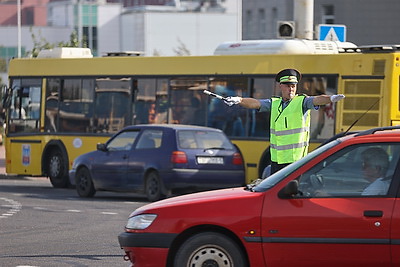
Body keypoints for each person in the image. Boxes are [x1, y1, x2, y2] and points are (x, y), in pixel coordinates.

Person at [223, 68, 345, 174]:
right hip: (277, 160)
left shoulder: (302, 102)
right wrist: (239, 100)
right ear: (280, 86)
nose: (291, 89)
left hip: (295, 161)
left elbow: (317, 100)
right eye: (287, 86)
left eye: (293, 86)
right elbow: (256, 103)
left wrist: (330, 98)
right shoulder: (274, 103)